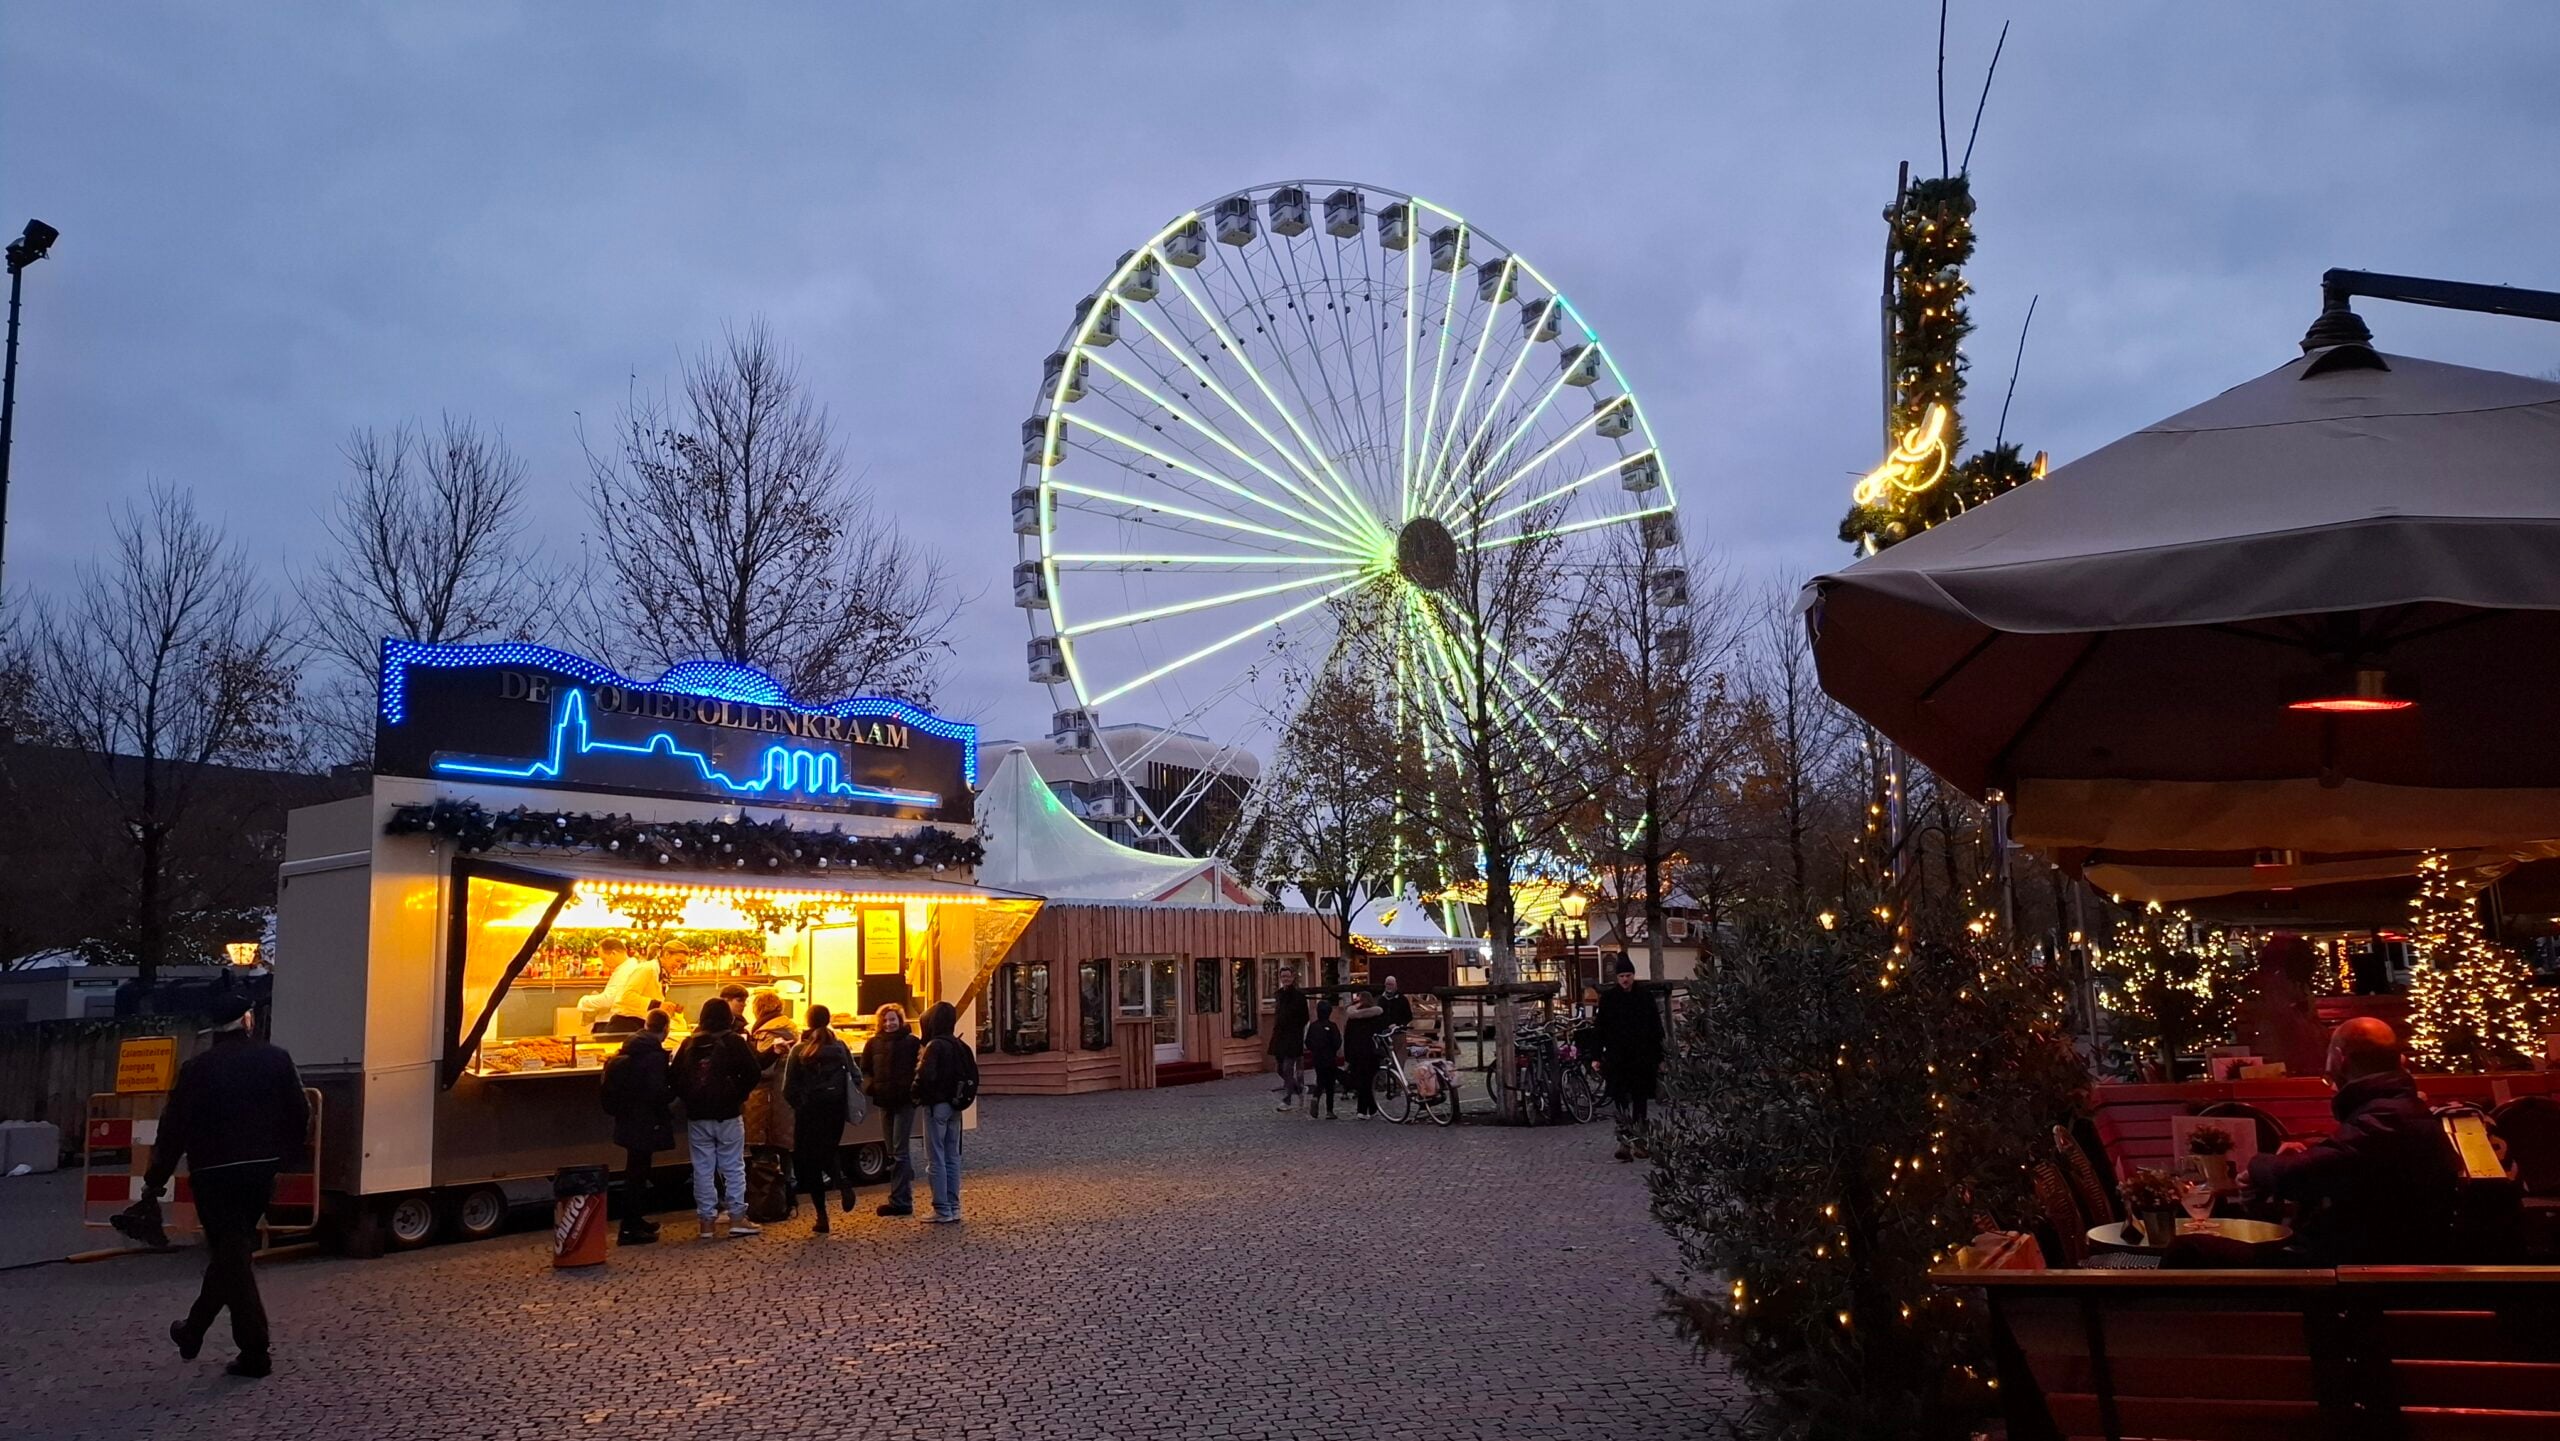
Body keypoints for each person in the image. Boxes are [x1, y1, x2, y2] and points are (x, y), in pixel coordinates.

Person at [147, 997, 309, 1378]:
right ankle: (202, 1332)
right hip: (259, 1171)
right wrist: (285, 1158)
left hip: (212, 1174)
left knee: (231, 1254)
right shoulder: (276, 1059)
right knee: (233, 1255)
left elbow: (173, 1129)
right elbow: (300, 1112)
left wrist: (155, 1180)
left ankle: (242, 1347)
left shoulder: (195, 1070)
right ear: (247, 1021)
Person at [2243, 1017, 2461, 1263]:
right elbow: (2346, 1159)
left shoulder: (2386, 1118)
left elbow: (2299, 1175)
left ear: (2340, 1058)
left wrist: (2255, 1165)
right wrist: (2311, 1152)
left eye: (2328, 1076)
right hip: (2385, 1254)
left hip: (2367, 1267)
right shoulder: (2397, 1109)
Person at [668, 997, 765, 1239]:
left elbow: (674, 1077)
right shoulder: (734, 1041)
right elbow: (754, 1072)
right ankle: (737, 1218)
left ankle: (706, 1223)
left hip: (698, 1116)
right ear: (727, 1018)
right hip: (728, 1114)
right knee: (733, 1166)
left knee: (702, 1169)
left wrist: (690, 1098)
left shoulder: (689, 1042)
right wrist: (738, 1094)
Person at [600, 1009, 675, 1245]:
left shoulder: (630, 1047)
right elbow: (657, 1092)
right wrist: (672, 1093)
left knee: (635, 1172)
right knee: (637, 1176)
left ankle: (635, 1221)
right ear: (665, 1029)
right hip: (644, 1122)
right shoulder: (653, 1056)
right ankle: (630, 1228)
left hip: (627, 1120)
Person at [782, 1005, 858, 1232]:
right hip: (834, 1111)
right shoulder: (840, 1047)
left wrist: (800, 1105)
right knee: (827, 1152)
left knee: (810, 1163)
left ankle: (822, 1217)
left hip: (808, 1113)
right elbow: (856, 1076)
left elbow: (788, 1088)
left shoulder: (799, 1050)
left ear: (807, 1021)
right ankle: (840, 1179)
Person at [912, 1001, 978, 1224]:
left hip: (936, 1105)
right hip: (955, 1106)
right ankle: (954, 1205)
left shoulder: (935, 1046)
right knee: (952, 1156)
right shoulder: (961, 1045)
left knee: (936, 1157)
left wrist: (916, 1095)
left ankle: (941, 1208)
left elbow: (925, 1077)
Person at [1593, 956, 1663, 1163]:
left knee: (1640, 1101)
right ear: (1617, 978)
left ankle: (1640, 1142)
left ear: (1633, 976)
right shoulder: (1609, 999)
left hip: (1641, 1057)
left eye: (1628, 975)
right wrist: (1596, 1056)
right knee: (1620, 1100)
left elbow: (1656, 1029)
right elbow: (1600, 1028)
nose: (1625, 979)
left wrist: (1659, 1056)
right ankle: (1624, 1141)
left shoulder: (1645, 997)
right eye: (1622, 976)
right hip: (1617, 1057)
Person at [861, 1004, 922, 1217]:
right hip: (884, 1102)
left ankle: (901, 1201)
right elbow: (865, 1069)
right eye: (885, 1020)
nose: (889, 1024)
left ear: (900, 1020)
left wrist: (913, 1090)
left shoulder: (911, 1042)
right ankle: (899, 1198)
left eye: (893, 1019)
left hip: (904, 1102)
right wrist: (870, 1087)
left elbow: (919, 1068)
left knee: (900, 1152)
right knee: (892, 1153)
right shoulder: (873, 1043)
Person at [1340, 988, 1387, 1119]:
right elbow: (1381, 1035)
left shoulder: (1353, 1018)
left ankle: (1366, 1110)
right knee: (1369, 1081)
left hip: (1357, 1053)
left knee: (1362, 1082)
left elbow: (1348, 1037)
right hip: (1372, 1053)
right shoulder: (1377, 1017)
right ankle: (1368, 1109)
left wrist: (1347, 1056)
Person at [1268, 967, 1309, 1113]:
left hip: (1293, 1037)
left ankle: (1287, 1099)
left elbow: (1305, 1017)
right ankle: (1299, 1088)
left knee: (1288, 1068)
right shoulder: (1279, 994)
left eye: (1288, 976)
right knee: (1280, 1069)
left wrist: (1296, 1031)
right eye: (1283, 976)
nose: (1285, 979)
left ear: (1293, 977)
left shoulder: (1299, 996)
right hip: (1279, 1036)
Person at [1303, 999, 1343, 1120]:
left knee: (1320, 1080)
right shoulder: (1332, 1026)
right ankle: (1329, 1111)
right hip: (1330, 1058)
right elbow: (1337, 1042)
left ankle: (1316, 1097)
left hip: (1317, 1058)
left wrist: (1315, 1050)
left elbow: (1308, 1042)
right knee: (1330, 1084)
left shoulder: (1313, 1026)